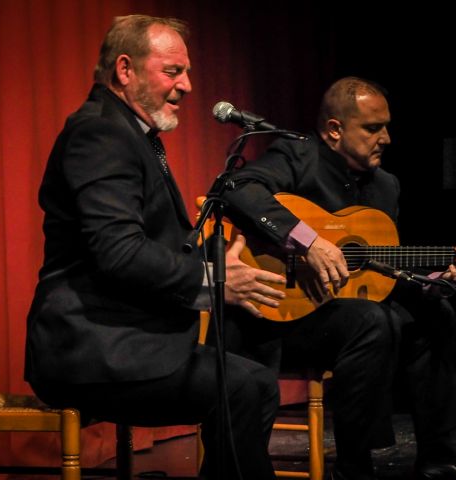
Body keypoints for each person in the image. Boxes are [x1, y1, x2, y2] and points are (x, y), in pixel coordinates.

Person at [24, 14, 288, 480]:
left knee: (252, 356)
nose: (187, 86)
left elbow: (141, 246)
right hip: (93, 350)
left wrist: (218, 269)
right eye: (172, 71)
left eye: (187, 72)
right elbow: (119, 252)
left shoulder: (128, 132)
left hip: (123, 339)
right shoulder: (101, 133)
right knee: (247, 387)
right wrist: (213, 281)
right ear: (125, 70)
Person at [220, 77, 456, 480]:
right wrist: (306, 242)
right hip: (284, 317)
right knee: (373, 321)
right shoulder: (298, 155)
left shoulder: (386, 186)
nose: (387, 138)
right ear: (334, 130)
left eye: (387, 126)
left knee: (435, 312)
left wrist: (435, 279)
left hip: (346, 320)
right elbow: (237, 188)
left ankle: (438, 455)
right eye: (373, 128)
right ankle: (354, 466)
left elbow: (381, 273)